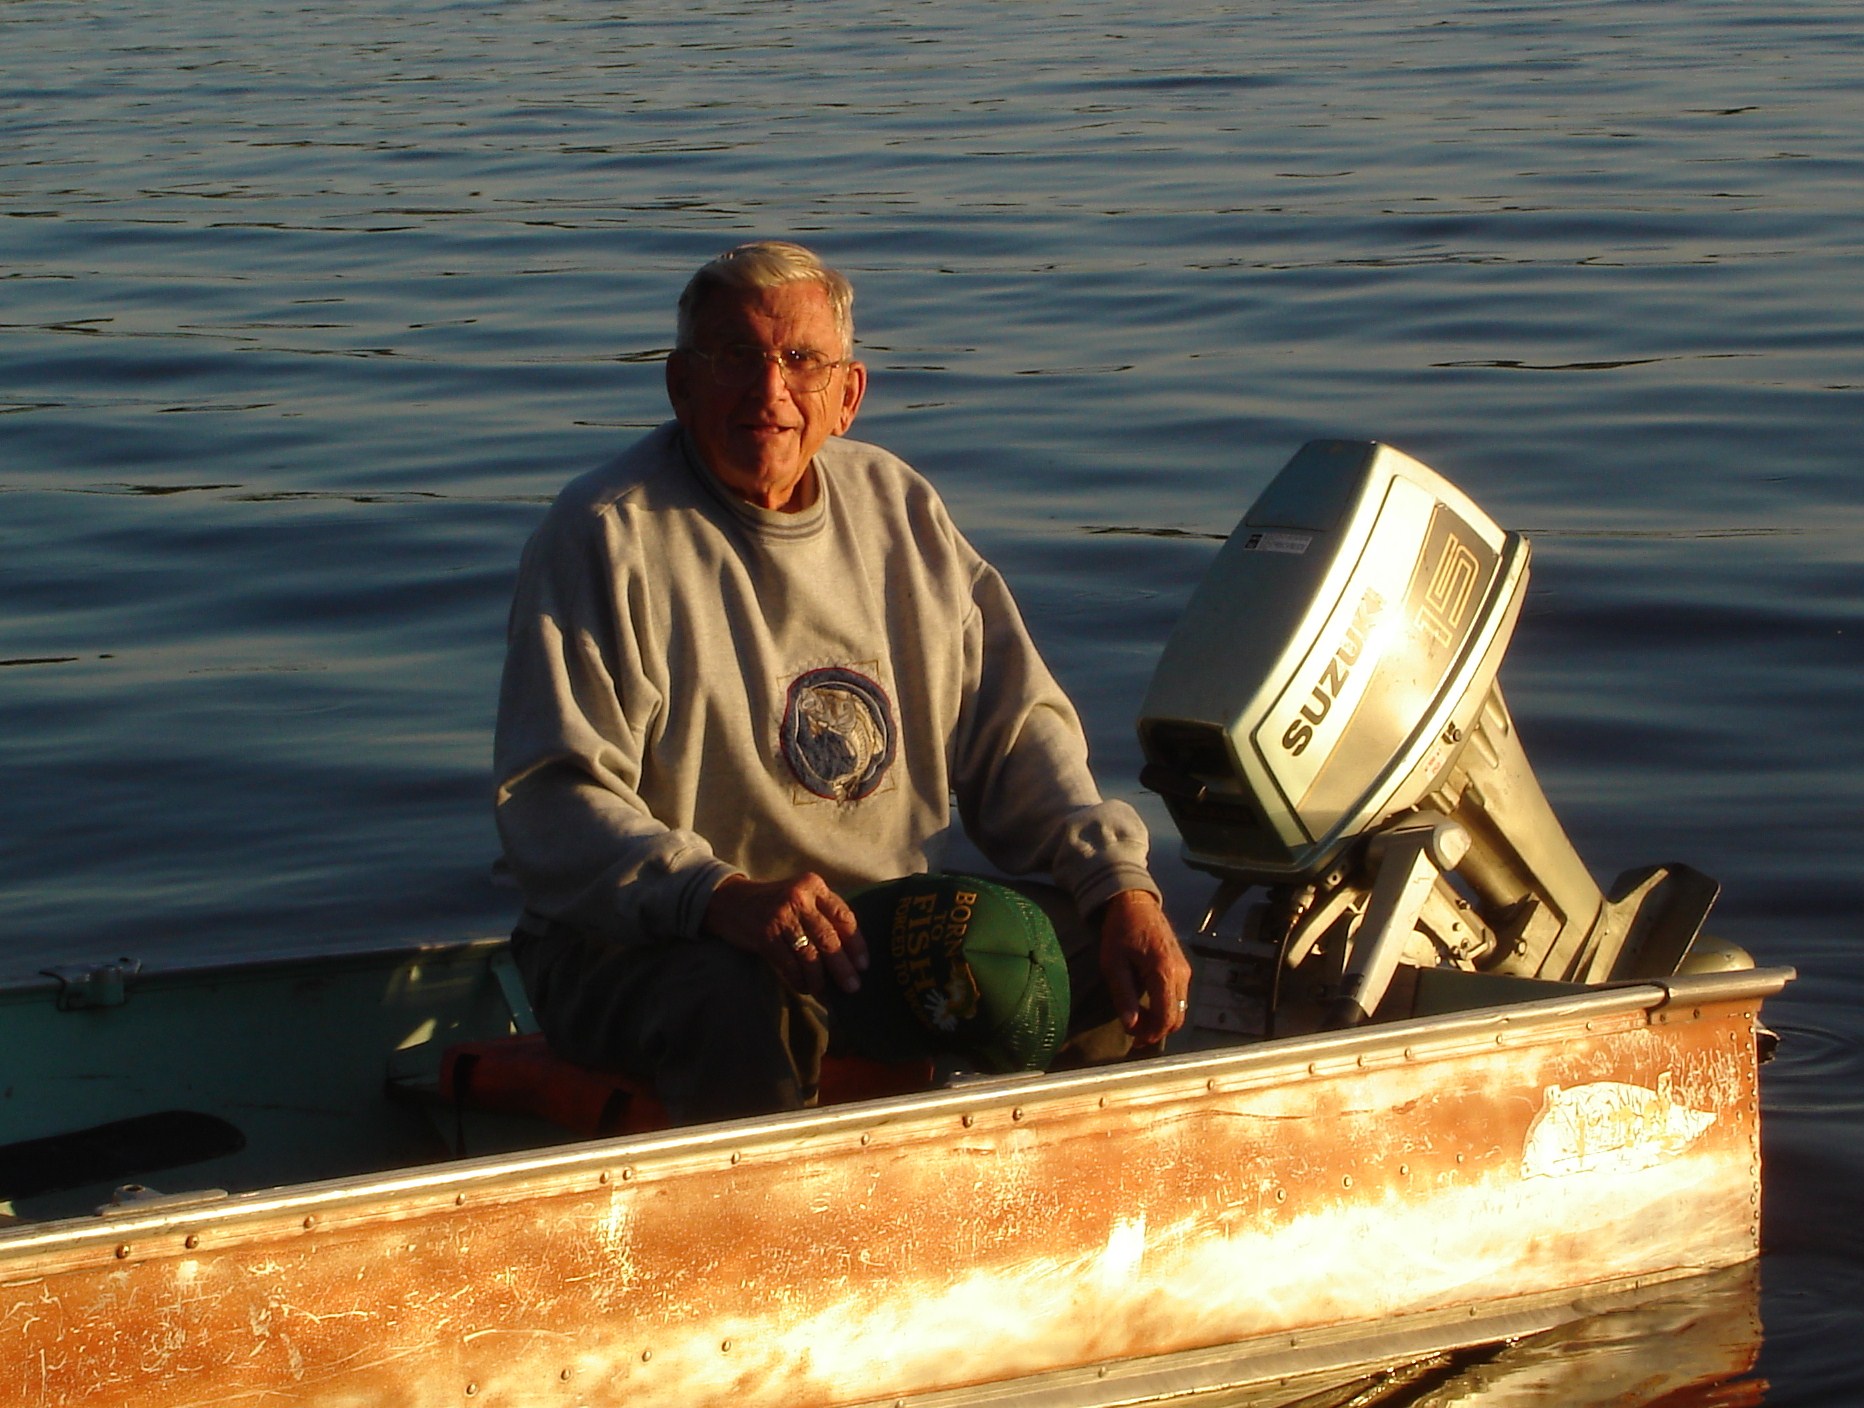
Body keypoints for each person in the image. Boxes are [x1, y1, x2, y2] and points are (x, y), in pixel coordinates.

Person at [493, 240, 1191, 1123]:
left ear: (848, 395)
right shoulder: (606, 533)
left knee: (1089, 964)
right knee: (736, 1001)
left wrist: (1118, 883)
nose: (769, 390)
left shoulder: (900, 510)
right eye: (735, 357)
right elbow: (550, 801)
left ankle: (1058, 1195)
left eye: (801, 361)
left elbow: (1017, 735)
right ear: (680, 383)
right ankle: (764, 1211)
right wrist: (717, 896)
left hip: (868, 932)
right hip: (647, 939)